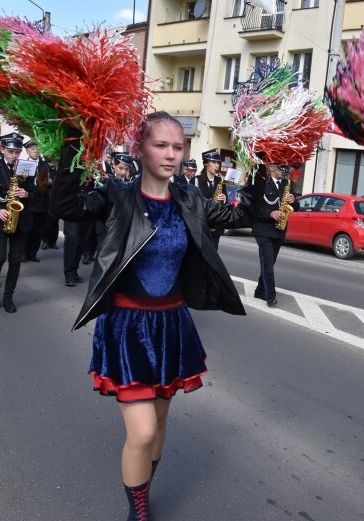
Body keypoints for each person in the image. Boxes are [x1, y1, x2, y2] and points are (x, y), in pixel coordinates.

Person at [50, 111, 255, 520]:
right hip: (127, 327)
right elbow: (67, 205)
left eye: (178, 147)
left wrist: (262, 162)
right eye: (161, 145)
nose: (171, 154)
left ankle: (143, 488)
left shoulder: (190, 199)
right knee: (141, 431)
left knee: (159, 423)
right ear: (140, 148)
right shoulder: (118, 195)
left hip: (171, 325)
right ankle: (138, 509)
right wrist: (73, 139)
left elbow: (240, 216)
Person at [0, 132, 37, 313]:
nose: (14, 156)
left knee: (15, 260)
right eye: (11, 151)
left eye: (18, 152)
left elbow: (36, 194)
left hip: (21, 219)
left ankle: (8, 297)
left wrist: (27, 194)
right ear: (2, 149)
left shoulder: (26, 167)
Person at [251, 163, 298, 307]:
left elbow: (296, 207)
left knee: (269, 263)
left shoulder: (287, 183)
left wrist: (294, 201)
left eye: (285, 168)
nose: (284, 170)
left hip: (279, 231)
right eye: (280, 167)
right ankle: (270, 296)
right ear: (272, 168)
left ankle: (260, 290)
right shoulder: (261, 183)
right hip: (263, 230)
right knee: (267, 264)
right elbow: (253, 206)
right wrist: (270, 213)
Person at [22, 140, 52, 262]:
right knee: (27, 229)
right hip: (29, 201)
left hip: (42, 201)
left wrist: (51, 182)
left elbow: (53, 177)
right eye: (32, 149)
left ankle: (33, 253)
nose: (36, 151)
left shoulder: (45, 164)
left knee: (39, 230)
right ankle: (23, 253)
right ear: (27, 151)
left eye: (37, 149)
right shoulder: (23, 164)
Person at [195, 149, 226, 247]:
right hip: (201, 224)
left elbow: (226, 202)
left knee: (213, 254)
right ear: (206, 164)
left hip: (216, 224)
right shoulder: (197, 180)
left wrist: (223, 199)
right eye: (213, 162)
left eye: (218, 163)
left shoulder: (220, 180)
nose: (217, 165)